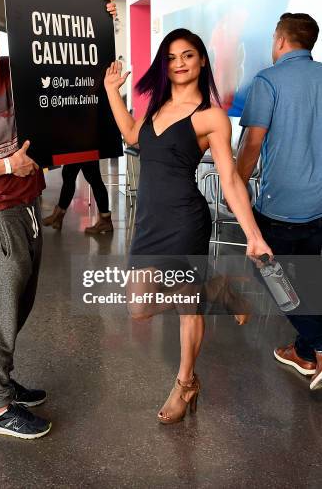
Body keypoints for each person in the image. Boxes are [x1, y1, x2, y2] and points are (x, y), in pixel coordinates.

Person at [0, 0, 116, 439]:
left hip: (27, 204)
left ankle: (2, 382)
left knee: (19, 303)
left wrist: (99, 19)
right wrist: (7, 166)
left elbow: (72, 56)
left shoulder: (17, 69)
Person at [103, 28, 272, 424]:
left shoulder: (210, 117)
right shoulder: (156, 107)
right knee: (139, 307)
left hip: (184, 221)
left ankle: (185, 382)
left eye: (188, 55)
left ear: (201, 62)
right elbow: (131, 134)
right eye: (172, 57)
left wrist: (253, 235)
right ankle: (219, 289)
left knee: (186, 306)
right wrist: (113, 90)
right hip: (148, 222)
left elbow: (229, 179)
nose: (179, 63)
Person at [236, 12, 322, 391]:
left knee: (270, 275)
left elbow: (252, 143)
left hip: (281, 206)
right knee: (308, 278)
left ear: (280, 40)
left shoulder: (268, 80)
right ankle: (304, 353)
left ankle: (318, 343)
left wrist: (236, 187)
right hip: (319, 204)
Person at [43, 161, 113, 233]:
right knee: (70, 174)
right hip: (82, 150)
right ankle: (58, 216)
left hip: (84, 150)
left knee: (91, 177)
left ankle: (58, 216)